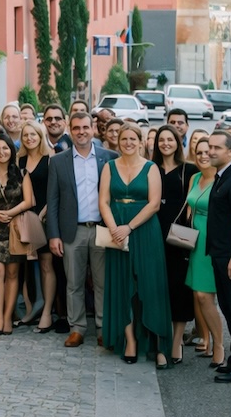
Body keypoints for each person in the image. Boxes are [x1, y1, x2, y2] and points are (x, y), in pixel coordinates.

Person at [99, 123, 172, 367]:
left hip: (144, 231)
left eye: (133, 138)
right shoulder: (109, 167)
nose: (128, 142)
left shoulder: (151, 168)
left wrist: (129, 227)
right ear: (117, 142)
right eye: (124, 139)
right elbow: (103, 202)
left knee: (151, 287)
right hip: (117, 232)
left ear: (141, 141)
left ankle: (160, 345)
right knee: (122, 286)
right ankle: (129, 340)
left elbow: (154, 204)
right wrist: (114, 229)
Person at [45, 112, 117, 347]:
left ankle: (102, 327)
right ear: (70, 129)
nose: (81, 132)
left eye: (85, 127)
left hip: (101, 229)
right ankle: (77, 328)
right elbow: (52, 200)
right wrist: (53, 234)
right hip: (71, 231)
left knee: (102, 283)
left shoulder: (109, 158)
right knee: (73, 282)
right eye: (76, 128)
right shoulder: (58, 161)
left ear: (93, 129)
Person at [0, 132, 33, 335]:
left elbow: (28, 201)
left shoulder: (22, 173)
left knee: (12, 274)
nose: (2, 152)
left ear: (12, 150)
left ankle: (8, 317)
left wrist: (10, 213)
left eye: (5, 148)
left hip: (15, 230)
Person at [153, 124, 196, 364]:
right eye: (161, 139)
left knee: (179, 290)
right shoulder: (151, 168)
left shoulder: (189, 170)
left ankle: (177, 340)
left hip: (179, 237)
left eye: (170, 139)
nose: (166, 143)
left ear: (178, 143)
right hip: (153, 234)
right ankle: (161, 341)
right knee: (158, 290)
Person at [206, 132, 231, 383]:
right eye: (209, 147)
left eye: (216, 148)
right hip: (219, 256)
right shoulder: (222, 177)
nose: (210, 151)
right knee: (229, 310)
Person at [185, 139, 225, 368]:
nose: (202, 156)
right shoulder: (195, 178)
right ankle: (209, 341)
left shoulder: (222, 180)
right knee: (200, 295)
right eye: (198, 152)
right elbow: (189, 208)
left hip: (215, 240)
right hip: (195, 240)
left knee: (206, 295)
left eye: (207, 152)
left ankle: (219, 344)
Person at [18, 121, 56, 332]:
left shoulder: (50, 159)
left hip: (44, 217)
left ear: (40, 136)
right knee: (27, 265)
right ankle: (33, 307)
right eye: (26, 135)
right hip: (24, 218)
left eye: (33, 134)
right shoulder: (19, 159)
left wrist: (44, 212)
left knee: (45, 264)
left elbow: (54, 191)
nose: (29, 138)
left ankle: (47, 312)